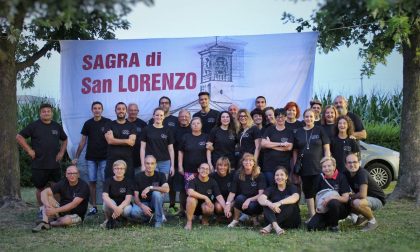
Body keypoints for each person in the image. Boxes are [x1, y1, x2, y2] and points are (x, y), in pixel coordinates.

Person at [16, 103, 68, 218]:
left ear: (51, 113)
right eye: (44, 111)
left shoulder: (56, 126)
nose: (46, 113)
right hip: (39, 164)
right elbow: (19, 136)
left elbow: (65, 139)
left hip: (54, 164)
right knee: (40, 188)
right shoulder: (34, 126)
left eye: (48, 111)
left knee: (57, 187)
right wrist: (29, 150)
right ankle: (42, 210)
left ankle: (57, 209)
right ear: (40, 113)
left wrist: (61, 152)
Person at [72, 101, 111, 216]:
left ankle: (106, 205)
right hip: (91, 158)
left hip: (105, 157)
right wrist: (76, 157)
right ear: (92, 110)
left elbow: (111, 139)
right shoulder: (88, 123)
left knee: (105, 182)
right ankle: (94, 207)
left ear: (102, 110)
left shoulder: (107, 122)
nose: (97, 110)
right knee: (92, 182)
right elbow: (82, 142)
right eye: (95, 108)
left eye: (99, 108)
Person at [293, 109, 331, 219]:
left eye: (311, 116)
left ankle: (322, 214)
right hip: (304, 167)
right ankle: (312, 216)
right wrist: (295, 164)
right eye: (306, 117)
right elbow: (295, 150)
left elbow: (326, 148)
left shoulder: (320, 130)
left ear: (314, 117)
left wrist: (327, 161)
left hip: (319, 167)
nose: (308, 119)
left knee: (320, 191)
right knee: (308, 191)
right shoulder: (299, 132)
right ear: (303, 118)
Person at [32, 166, 90, 232]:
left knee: (66, 220)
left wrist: (55, 210)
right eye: (69, 173)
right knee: (47, 195)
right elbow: (44, 192)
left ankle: (50, 223)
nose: (72, 175)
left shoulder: (84, 186)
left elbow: (73, 205)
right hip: (61, 211)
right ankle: (45, 222)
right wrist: (47, 205)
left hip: (76, 214)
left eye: (74, 173)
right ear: (66, 175)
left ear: (78, 175)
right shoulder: (63, 182)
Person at [307, 157, 351, 232]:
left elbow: (346, 198)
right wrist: (316, 208)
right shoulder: (319, 178)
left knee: (333, 202)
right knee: (311, 227)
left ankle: (334, 226)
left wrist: (331, 197)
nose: (327, 169)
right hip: (324, 209)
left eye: (329, 166)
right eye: (324, 166)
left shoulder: (341, 177)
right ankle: (330, 222)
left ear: (334, 166)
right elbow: (315, 195)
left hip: (340, 209)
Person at [345, 153, 386, 232]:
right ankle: (361, 218)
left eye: (355, 162)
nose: (352, 165)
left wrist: (350, 196)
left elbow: (362, 195)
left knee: (356, 202)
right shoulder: (346, 173)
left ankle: (372, 221)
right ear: (346, 164)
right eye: (349, 162)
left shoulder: (362, 173)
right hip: (366, 199)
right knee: (349, 201)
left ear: (359, 163)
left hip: (377, 200)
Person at [225, 153, 266, 228]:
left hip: (256, 201)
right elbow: (232, 192)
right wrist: (227, 204)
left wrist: (249, 200)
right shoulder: (238, 174)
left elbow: (261, 194)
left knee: (252, 206)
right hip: (243, 200)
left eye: (250, 160)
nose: (248, 162)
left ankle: (255, 219)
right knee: (238, 198)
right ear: (242, 162)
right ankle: (235, 220)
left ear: (254, 163)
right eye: (246, 160)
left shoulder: (259, 175)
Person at [258, 167, 301, 235]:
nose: (279, 177)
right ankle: (277, 227)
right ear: (274, 177)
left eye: (282, 175)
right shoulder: (271, 188)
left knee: (290, 202)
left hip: (290, 220)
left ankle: (270, 226)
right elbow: (260, 199)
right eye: (277, 175)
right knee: (266, 203)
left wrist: (279, 203)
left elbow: (296, 197)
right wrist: (270, 204)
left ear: (286, 177)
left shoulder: (292, 187)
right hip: (273, 218)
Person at [184, 163, 228, 230]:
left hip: (205, 206)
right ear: (198, 170)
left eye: (207, 169)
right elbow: (190, 192)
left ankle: (204, 219)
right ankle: (189, 222)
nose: (204, 170)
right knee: (191, 199)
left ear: (209, 171)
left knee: (209, 207)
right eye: (202, 168)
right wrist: (205, 197)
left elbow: (219, 196)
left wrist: (225, 208)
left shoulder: (213, 182)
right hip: (193, 206)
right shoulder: (193, 180)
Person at [178, 117, 209, 213]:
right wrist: (180, 165)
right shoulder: (186, 137)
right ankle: (186, 211)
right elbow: (180, 151)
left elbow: (209, 151)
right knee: (189, 192)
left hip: (203, 171)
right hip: (188, 170)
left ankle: (201, 211)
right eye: (193, 123)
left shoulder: (206, 137)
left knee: (201, 191)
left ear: (201, 125)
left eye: (198, 123)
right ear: (190, 126)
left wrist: (210, 165)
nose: (196, 125)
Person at [130, 155, 169, 228]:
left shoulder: (161, 175)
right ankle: (149, 218)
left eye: (152, 163)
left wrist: (150, 188)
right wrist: (142, 206)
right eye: (147, 163)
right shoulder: (137, 176)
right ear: (144, 164)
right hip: (143, 203)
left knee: (156, 193)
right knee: (134, 213)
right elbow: (135, 198)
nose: (150, 166)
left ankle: (158, 221)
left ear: (155, 165)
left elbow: (166, 189)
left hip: (156, 203)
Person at [261, 108, 294, 186]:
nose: (280, 119)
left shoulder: (289, 132)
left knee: (282, 189)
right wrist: (281, 144)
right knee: (270, 188)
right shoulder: (269, 130)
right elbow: (263, 144)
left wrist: (270, 144)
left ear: (286, 117)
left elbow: (289, 147)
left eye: (282, 117)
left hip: (283, 166)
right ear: (275, 118)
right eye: (278, 117)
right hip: (269, 166)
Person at [104, 102, 136, 179]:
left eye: (123, 109)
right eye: (118, 109)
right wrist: (126, 141)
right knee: (110, 184)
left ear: (126, 111)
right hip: (112, 160)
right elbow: (110, 141)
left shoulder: (132, 126)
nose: (121, 111)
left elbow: (131, 142)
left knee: (129, 184)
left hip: (127, 160)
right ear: (115, 111)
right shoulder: (109, 124)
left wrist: (115, 140)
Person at [140, 107, 175, 179]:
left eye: (161, 115)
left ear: (164, 117)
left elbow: (171, 149)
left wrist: (172, 166)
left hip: (165, 162)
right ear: (153, 116)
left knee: (163, 183)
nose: (159, 117)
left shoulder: (168, 130)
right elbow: (142, 148)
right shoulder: (146, 129)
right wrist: (143, 164)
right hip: (151, 163)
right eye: (157, 115)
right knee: (153, 184)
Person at [169, 109, 192, 215]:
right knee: (174, 186)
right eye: (181, 116)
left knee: (185, 187)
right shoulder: (174, 130)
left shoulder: (193, 129)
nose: (184, 118)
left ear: (190, 118)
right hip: (176, 162)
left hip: (190, 163)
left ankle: (185, 209)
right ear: (178, 118)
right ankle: (174, 207)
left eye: (186, 116)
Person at [101, 160, 133, 229]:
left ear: (125, 170)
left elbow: (128, 199)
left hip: (123, 205)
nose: (119, 170)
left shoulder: (128, 181)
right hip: (112, 205)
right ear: (113, 170)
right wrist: (115, 208)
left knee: (127, 210)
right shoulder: (108, 181)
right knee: (106, 204)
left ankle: (124, 220)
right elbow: (105, 196)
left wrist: (119, 207)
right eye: (117, 168)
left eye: (121, 168)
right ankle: (108, 219)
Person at [126, 103, 147, 173]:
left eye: (135, 110)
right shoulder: (123, 123)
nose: (133, 112)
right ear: (127, 111)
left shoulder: (143, 124)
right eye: (131, 110)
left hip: (139, 159)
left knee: (138, 182)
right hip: (125, 158)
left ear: (138, 111)